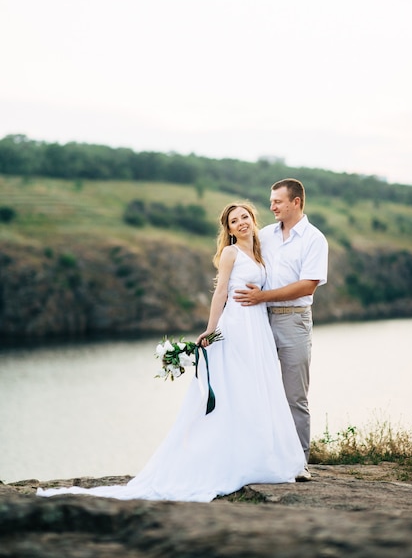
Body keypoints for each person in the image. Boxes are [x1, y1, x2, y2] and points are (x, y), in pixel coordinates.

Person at [37, 202, 305, 503]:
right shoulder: (231, 253)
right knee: (237, 388)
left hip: (257, 327)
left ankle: (260, 456)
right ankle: (232, 460)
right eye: (234, 221)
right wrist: (210, 329)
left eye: (245, 217)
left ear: (253, 220)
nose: (241, 223)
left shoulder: (260, 252)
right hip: (237, 326)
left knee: (258, 387)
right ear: (228, 229)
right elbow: (220, 292)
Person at [234, 179, 328, 481]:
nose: (271, 206)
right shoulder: (265, 236)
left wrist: (262, 296)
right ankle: (261, 460)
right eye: (272, 201)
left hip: (294, 320)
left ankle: (298, 464)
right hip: (257, 319)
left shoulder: (314, 239)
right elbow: (238, 264)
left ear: (296, 202)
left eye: (277, 201)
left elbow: (307, 284)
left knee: (294, 396)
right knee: (258, 390)